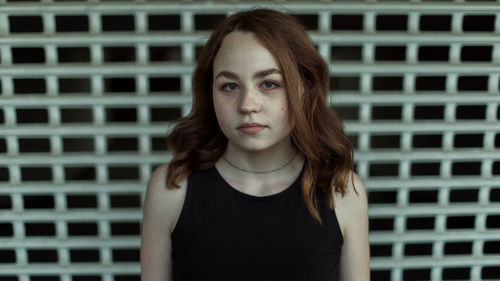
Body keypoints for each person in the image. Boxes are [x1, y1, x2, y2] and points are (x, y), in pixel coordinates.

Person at [141, 8, 370, 281]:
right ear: (209, 92)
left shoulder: (343, 191)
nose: (248, 104)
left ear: (305, 88)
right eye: (229, 86)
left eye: (269, 84)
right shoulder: (170, 189)